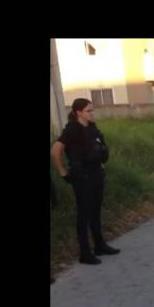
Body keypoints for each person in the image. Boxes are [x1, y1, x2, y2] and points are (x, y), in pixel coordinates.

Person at [51, 98, 120, 265]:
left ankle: (99, 245)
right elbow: (55, 151)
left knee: (95, 211)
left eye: (92, 110)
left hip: (96, 174)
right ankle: (85, 253)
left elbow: (98, 151)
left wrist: (101, 168)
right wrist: (63, 173)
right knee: (84, 214)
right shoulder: (72, 130)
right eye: (89, 110)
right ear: (78, 112)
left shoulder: (92, 128)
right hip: (82, 177)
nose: (92, 113)